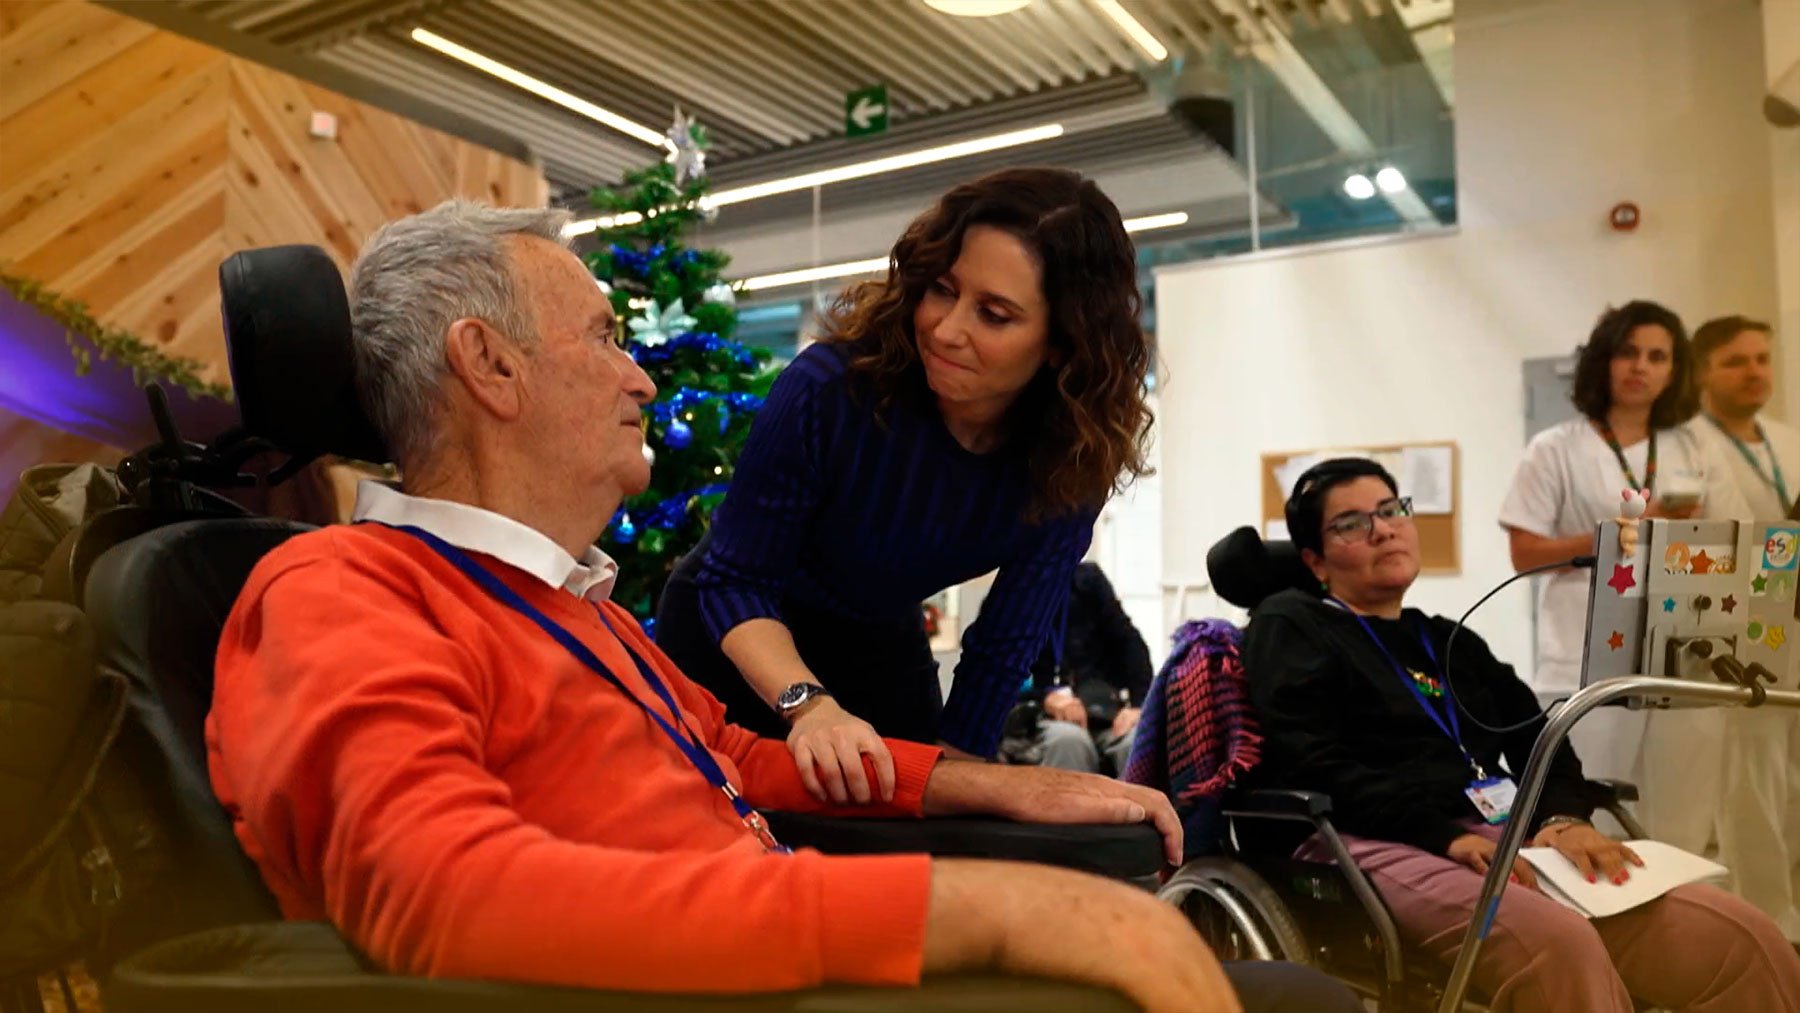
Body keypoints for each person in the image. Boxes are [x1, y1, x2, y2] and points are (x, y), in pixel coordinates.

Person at [205, 201, 1360, 1012]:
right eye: (606, 336)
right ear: (490, 367)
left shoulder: (575, 609)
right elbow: (442, 898)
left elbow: (736, 760)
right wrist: (990, 912)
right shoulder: (344, 588)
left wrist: (1004, 781)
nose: (642, 374)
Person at [655, 167, 1153, 804]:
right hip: (732, 639)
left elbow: (1006, 642)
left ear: (1061, 343)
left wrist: (965, 766)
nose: (946, 330)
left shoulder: (1070, 457)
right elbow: (734, 580)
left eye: (994, 315)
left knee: (908, 841)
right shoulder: (831, 389)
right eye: (942, 289)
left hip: (878, 649)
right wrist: (809, 708)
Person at [1242, 457, 1800, 1012]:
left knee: (1742, 934)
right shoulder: (1290, 625)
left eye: (1390, 510)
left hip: (1498, 830)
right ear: (1315, 561)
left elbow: (1541, 736)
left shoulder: (1445, 640)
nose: (1383, 529)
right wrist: (1441, 834)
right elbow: (1312, 758)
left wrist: (1560, 818)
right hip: (1368, 837)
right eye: (1351, 523)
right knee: (1557, 945)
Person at [1498, 300, 1750, 851]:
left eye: (1657, 356)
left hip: (1682, 657)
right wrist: (1608, 538)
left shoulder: (1697, 445)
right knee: (1593, 819)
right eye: (1628, 352)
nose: (1641, 366)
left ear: (1674, 370)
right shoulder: (1555, 448)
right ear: (1603, 362)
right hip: (1587, 659)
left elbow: (1734, 541)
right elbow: (1524, 555)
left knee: (1683, 826)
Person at [1683, 315, 1800, 941]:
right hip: (1744, 623)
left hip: (1797, 614)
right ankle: (1768, 918)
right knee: (1754, 777)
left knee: (1794, 777)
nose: (1754, 371)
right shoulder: (1689, 444)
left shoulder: (1788, 440)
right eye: (1735, 361)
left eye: (1762, 358)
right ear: (1702, 370)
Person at [1021, 561, 1153, 775]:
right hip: (1044, 716)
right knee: (1070, 741)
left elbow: (1130, 644)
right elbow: (998, 678)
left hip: (1104, 710)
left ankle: (1142, 809)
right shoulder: (1011, 597)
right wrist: (1044, 697)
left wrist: (1140, 707)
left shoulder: (1088, 581)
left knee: (1136, 742)